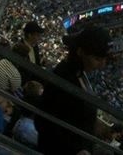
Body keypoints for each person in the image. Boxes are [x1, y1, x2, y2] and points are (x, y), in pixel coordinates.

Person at [35, 25, 112, 155]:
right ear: (81, 52)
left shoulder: (77, 72)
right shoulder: (64, 77)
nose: (102, 65)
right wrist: (77, 150)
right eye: (97, 59)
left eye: (105, 59)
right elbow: (44, 122)